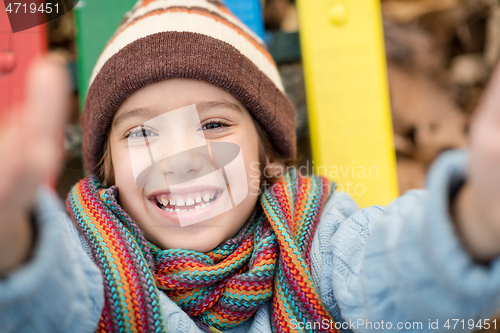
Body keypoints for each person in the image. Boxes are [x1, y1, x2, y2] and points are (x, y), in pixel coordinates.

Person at [2, 0, 500, 332]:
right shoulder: (81, 259)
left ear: (267, 160)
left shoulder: (317, 240)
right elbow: (46, 306)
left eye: (215, 125)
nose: (182, 160)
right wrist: (12, 247)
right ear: (107, 171)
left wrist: (472, 221)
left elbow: (396, 283)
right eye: (142, 132)